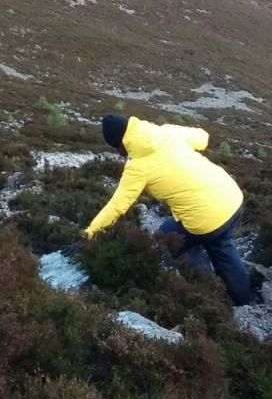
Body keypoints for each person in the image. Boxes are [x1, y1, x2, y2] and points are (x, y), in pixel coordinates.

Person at [85, 113, 251, 306]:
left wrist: (89, 234)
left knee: (168, 240)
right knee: (220, 242)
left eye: (118, 149)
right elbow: (203, 137)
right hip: (232, 197)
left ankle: (209, 286)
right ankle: (243, 300)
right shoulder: (168, 131)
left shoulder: (137, 167)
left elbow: (116, 207)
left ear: (122, 144)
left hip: (204, 218)